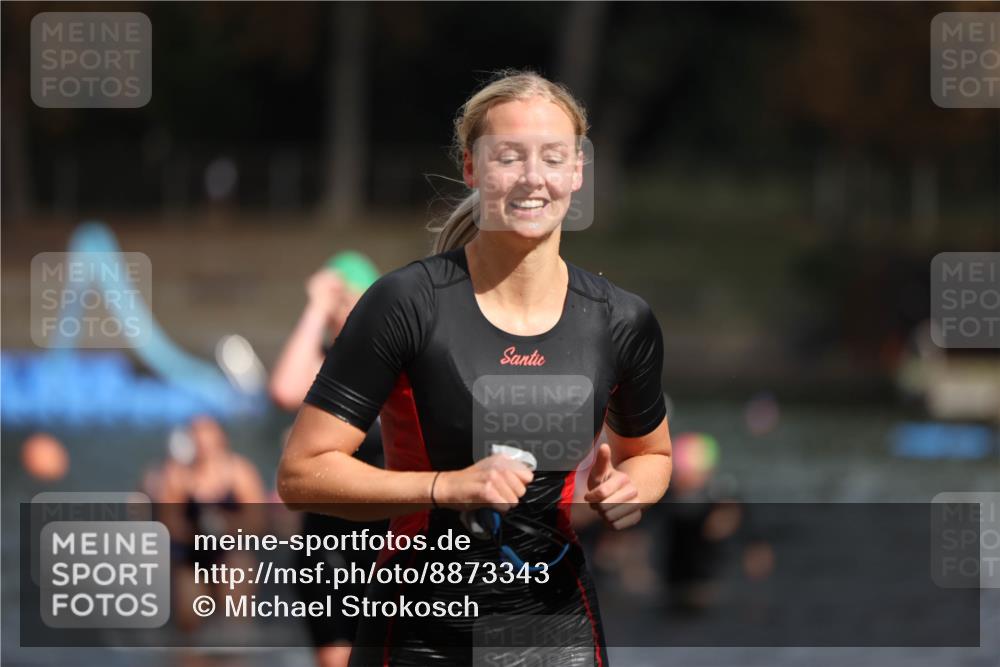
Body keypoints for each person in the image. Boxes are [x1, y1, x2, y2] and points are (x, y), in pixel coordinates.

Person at [278, 70, 672, 666]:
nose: (533, 177)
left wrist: (628, 490)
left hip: (556, 627)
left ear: (576, 172)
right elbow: (301, 475)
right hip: (418, 631)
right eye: (509, 157)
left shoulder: (620, 319)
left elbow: (652, 456)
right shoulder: (406, 304)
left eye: (552, 158)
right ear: (472, 167)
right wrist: (445, 487)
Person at [270, 251, 388, 667]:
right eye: (336, 304)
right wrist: (316, 307)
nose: (343, 313)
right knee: (336, 656)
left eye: (349, 301)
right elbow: (285, 391)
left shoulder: (393, 365)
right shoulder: (320, 364)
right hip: (326, 538)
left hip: (386, 532)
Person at [159, 415, 266, 633]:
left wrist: (224, 526)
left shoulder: (239, 471)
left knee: (235, 614)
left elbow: (258, 522)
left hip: (231, 551)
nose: (202, 441)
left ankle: (236, 645)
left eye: (207, 434)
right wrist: (198, 530)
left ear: (220, 437)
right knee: (189, 619)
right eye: (197, 434)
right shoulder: (177, 474)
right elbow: (168, 523)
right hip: (191, 554)